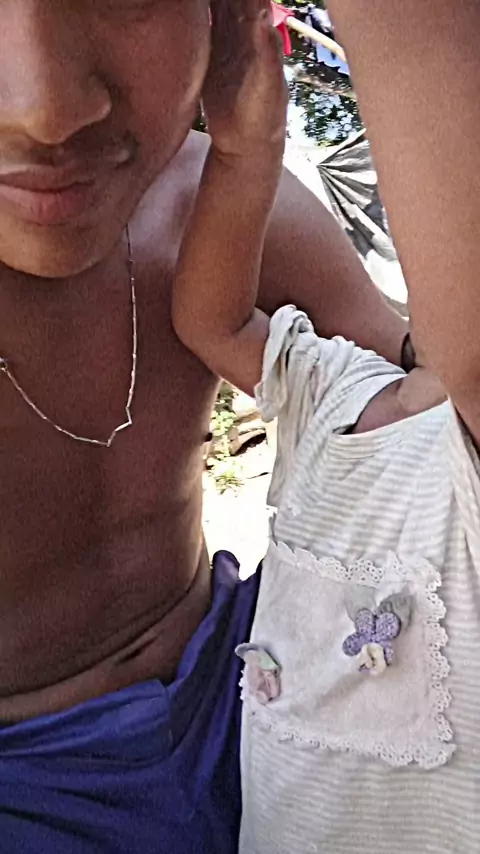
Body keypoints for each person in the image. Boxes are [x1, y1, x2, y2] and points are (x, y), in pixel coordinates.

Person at [0, 0, 407, 852]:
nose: (47, 112)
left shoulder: (216, 200)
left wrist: (250, 152)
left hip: (257, 667)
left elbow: (430, 402)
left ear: (224, 21)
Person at [172, 1, 480, 853]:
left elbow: (469, 353)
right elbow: (212, 323)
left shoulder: (468, 469)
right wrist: (247, 149)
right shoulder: (338, 390)